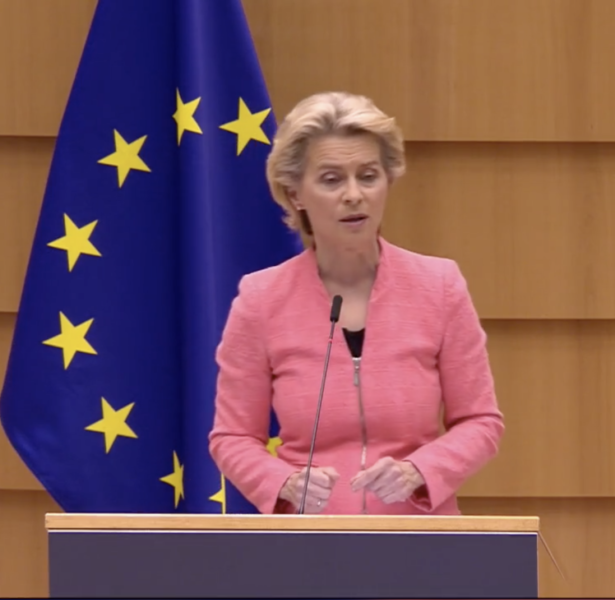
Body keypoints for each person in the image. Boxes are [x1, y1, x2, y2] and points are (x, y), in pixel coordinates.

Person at [208, 91, 504, 516]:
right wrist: (284, 483)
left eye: (368, 176)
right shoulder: (261, 299)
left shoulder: (440, 286)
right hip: (310, 541)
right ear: (295, 194)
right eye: (331, 180)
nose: (353, 195)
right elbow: (232, 437)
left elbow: (481, 421)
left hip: (420, 537)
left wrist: (419, 471)